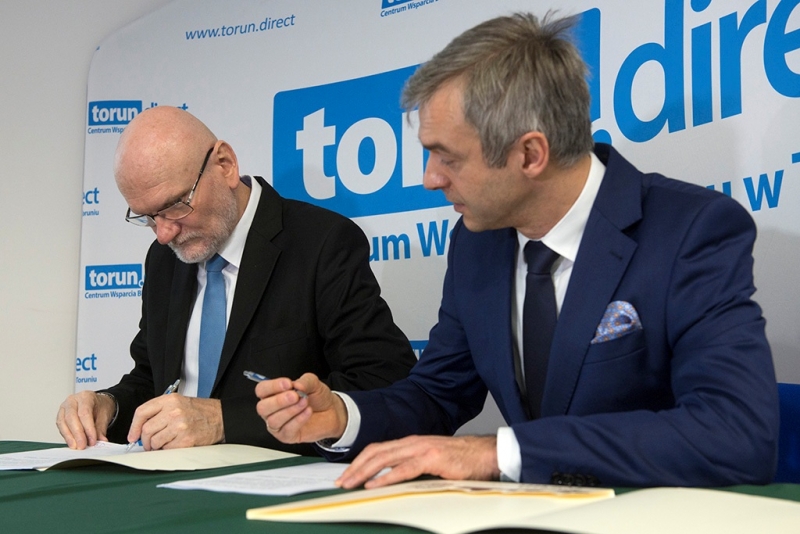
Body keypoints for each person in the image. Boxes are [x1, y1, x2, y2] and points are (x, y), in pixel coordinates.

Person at [254, 12, 779, 487]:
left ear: (530, 154)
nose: (430, 179)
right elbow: (437, 393)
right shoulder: (475, 244)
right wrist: (342, 416)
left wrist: (500, 453)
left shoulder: (691, 230)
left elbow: (734, 433)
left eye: (447, 157)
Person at [56, 106, 416, 455]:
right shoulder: (164, 259)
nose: (163, 234)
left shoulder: (321, 242)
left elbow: (381, 381)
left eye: (176, 205)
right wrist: (110, 406)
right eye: (148, 217)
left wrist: (223, 421)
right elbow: (153, 380)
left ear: (225, 165)